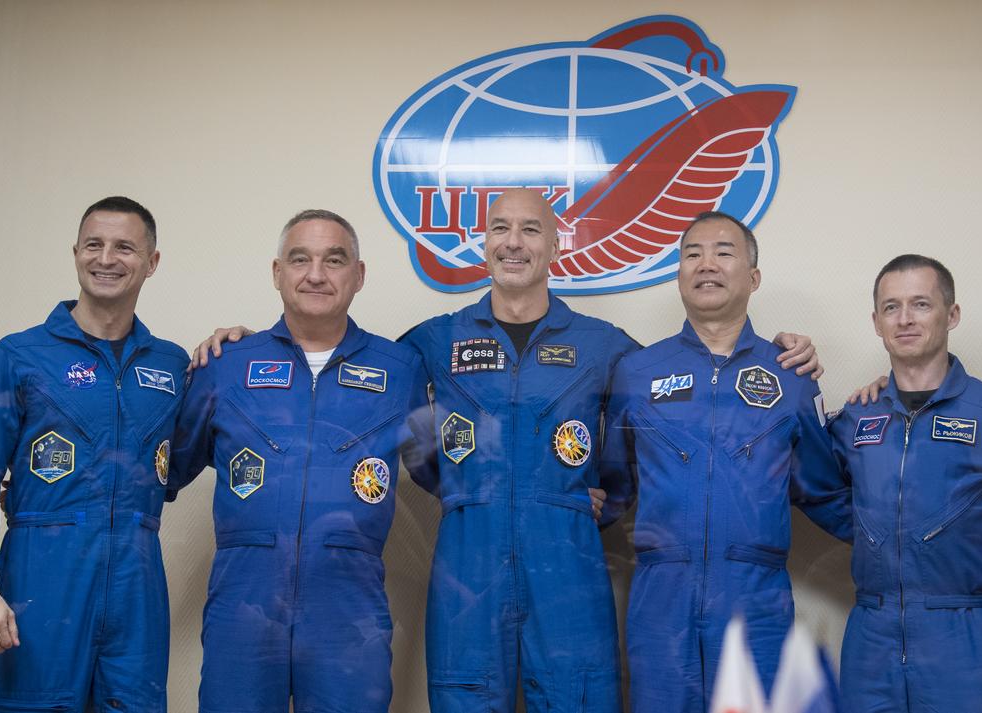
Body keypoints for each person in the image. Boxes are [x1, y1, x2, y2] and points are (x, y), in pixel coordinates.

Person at [193, 189, 822, 712]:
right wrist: (244, 340)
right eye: (500, 228)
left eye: (530, 229)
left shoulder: (610, 349)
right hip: (468, 568)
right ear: (483, 242)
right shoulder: (429, 345)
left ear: (555, 245)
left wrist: (591, 502)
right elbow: (383, 412)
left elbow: (654, 439)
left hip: (570, 575)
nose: (513, 241)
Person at [166, 210, 431, 713]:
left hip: (348, 608)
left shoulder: (400, 370)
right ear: (276, 273)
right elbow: (164, 469)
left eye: (334, 260)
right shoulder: (226, 365)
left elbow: (444, 473)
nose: (316, 274)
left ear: (359, 274)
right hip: (244, 600)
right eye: (300, 259)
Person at [0, 196, 188, 712]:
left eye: (125, 247)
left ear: (152, 262)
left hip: (137, 580)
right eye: (93, 245)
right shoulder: (20, 355)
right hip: (43, 574)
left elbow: (182, 460)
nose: (106, 258)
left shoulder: (170, 366)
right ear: (75, 252)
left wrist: (234, 348)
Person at [600, 212, 840, 711]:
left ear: (753, 277)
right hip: (660, 595)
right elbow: (611, 489)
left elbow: (823, 489)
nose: (706, 264)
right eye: (692, 254)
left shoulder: (791, 375)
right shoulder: (636, 372)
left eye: (724, 252)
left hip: (757, 600)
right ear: (678, 274)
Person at [816, 254, 982, 713]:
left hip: (966, 635)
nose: (905, 319)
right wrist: (875, 534)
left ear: (952, 315)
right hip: (872, 634)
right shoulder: (858, 417)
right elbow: (815, 484)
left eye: (921, 304)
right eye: (891, 307)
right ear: (876, 322)